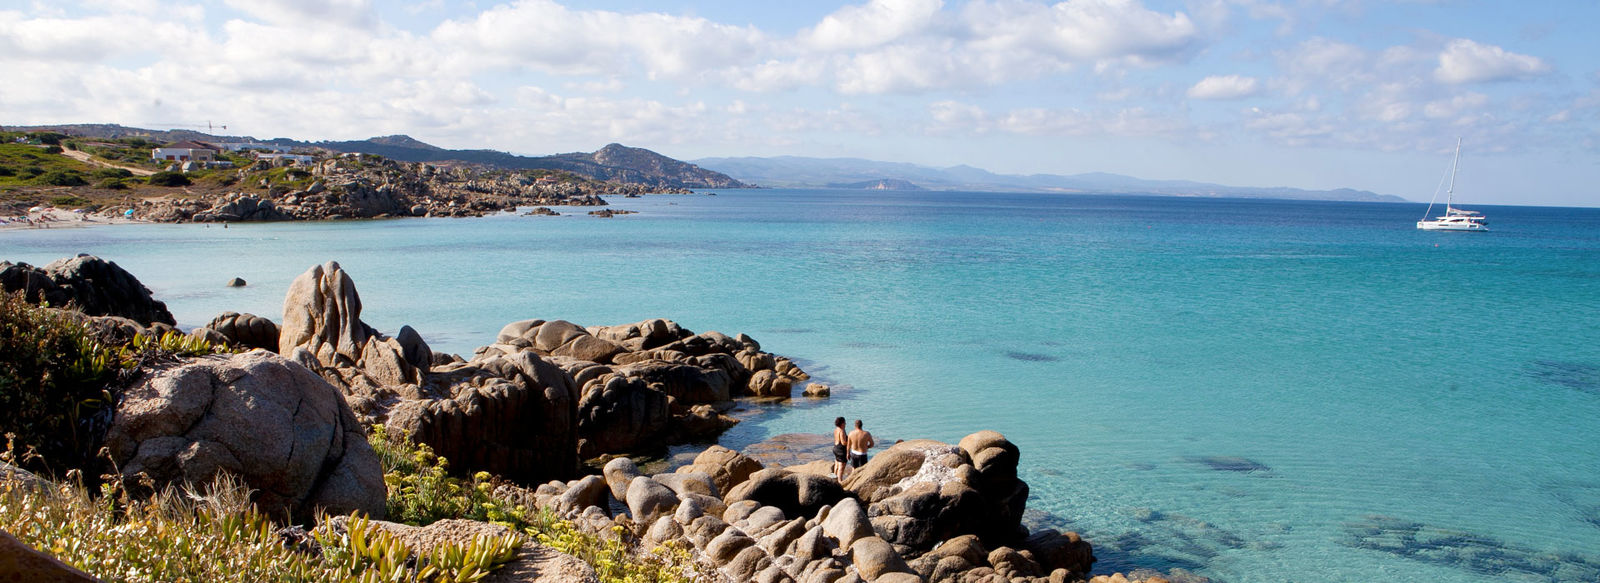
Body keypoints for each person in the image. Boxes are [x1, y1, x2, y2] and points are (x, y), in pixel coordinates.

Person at [832, 417, 849, 481]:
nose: (845, 424)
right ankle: (840, 481)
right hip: (841, 450)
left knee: (836, 465)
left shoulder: (836, 429)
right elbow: (843, 442)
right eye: (844, 422)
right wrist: (851, 442)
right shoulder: (842, 431)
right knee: (841, 467)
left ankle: (834, 479)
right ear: (842, 424)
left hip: (835, 448)